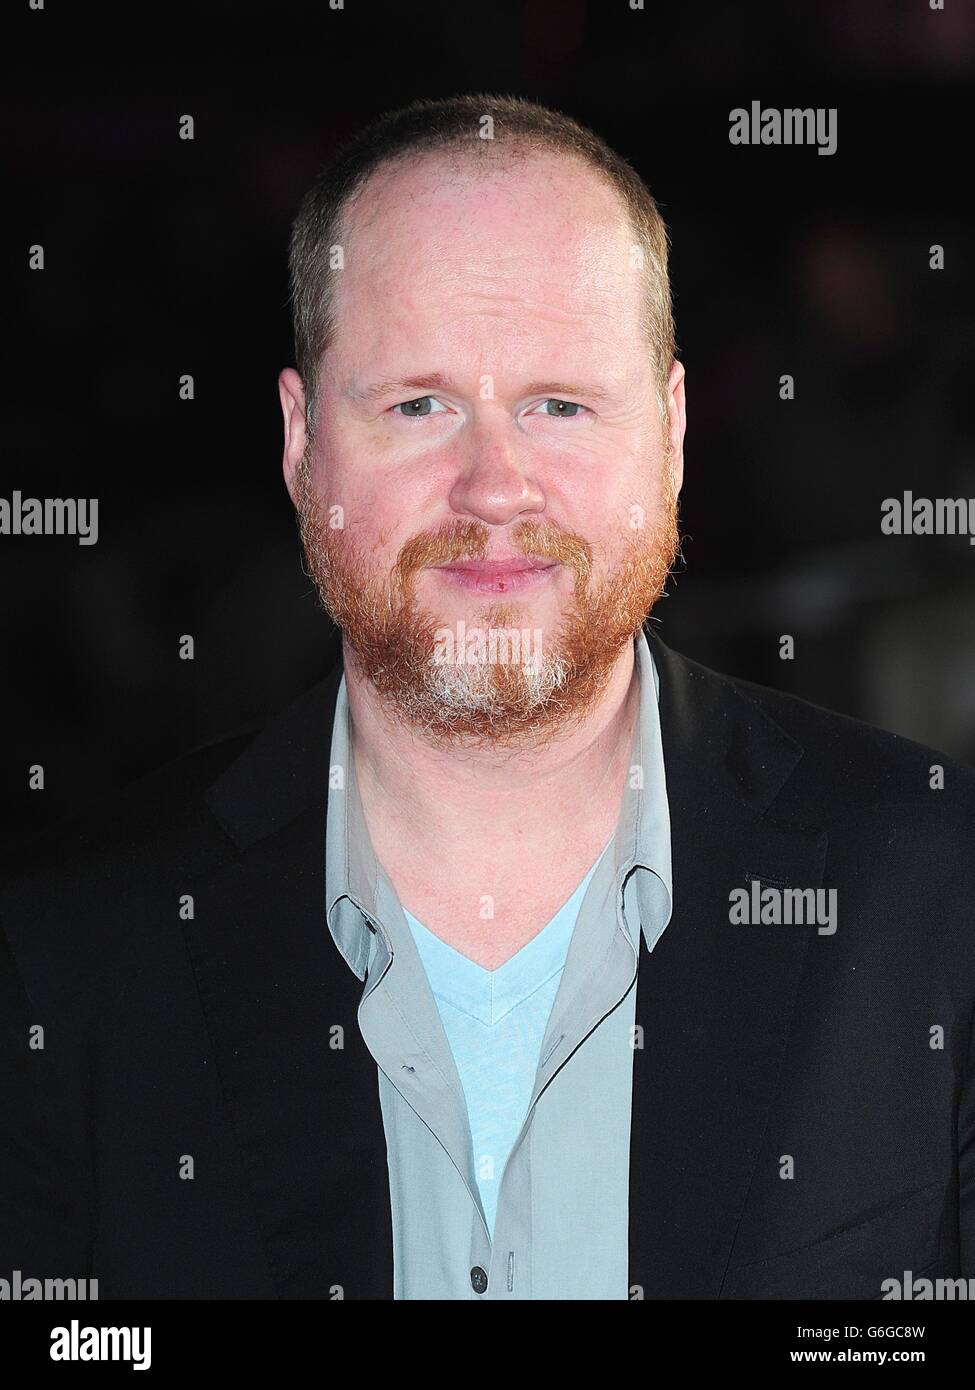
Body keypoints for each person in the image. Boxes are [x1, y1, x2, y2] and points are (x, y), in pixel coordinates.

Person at [2, 94, 973, 1301]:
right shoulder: (64, 958)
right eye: (419, 405)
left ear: (669, 435)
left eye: (560, 403)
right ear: (303, 444)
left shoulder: (938, 890)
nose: (494, 485)